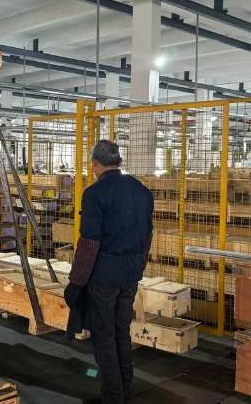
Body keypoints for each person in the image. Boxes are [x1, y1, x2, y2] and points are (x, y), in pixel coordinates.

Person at [66, 140, 154, 404]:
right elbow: (148, 235)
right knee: (120, 332)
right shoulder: (142, 191)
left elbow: (89, 241)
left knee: (104, 336)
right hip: (130, 275)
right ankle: (125, 390)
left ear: (94, 163)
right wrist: (139, 265)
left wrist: (76, 280)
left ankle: (113, 397)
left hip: (104, 276)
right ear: (120, 162)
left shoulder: (95, 193)